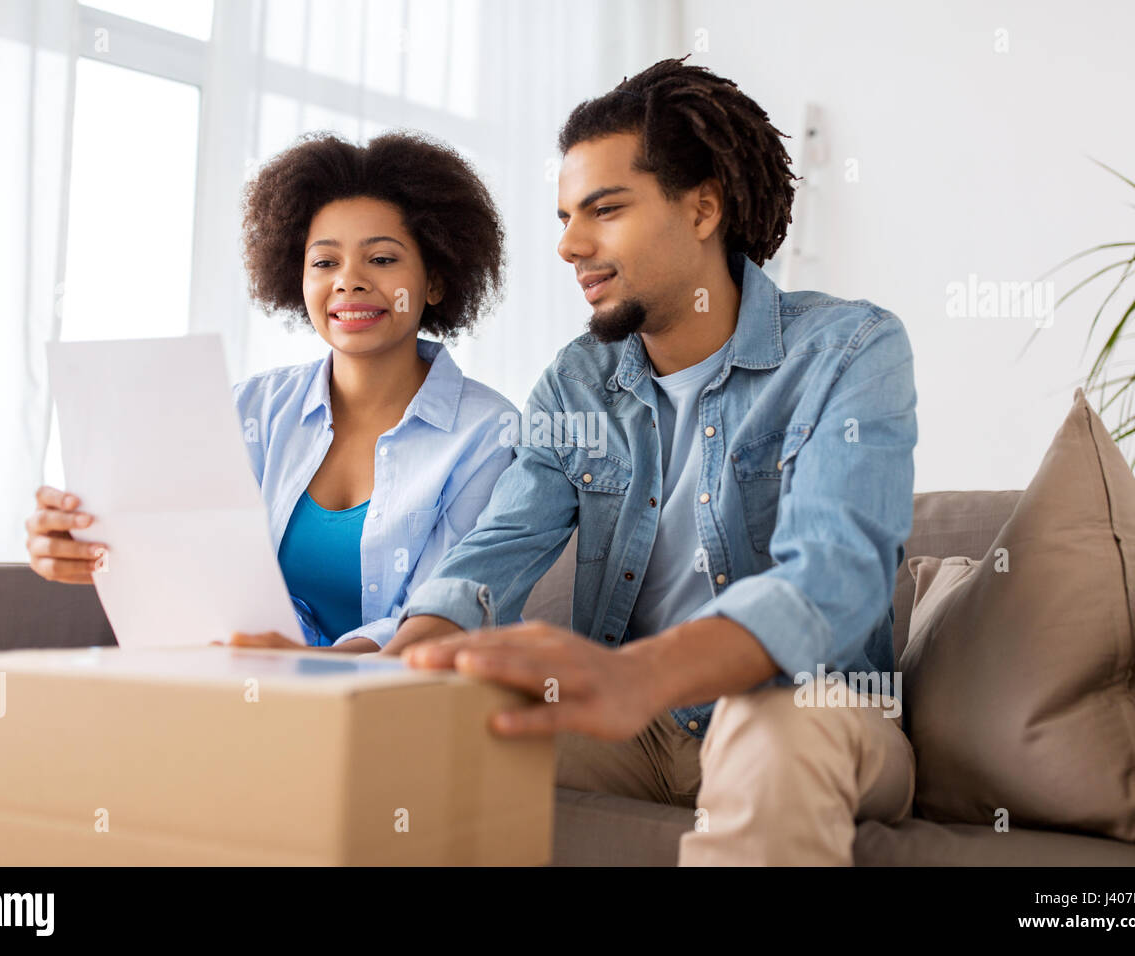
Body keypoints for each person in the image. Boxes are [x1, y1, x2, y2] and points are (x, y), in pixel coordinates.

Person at [384, 58, 921, 865]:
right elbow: (489, 558)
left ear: (703, 207)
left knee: (773, 727)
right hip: (636, 732)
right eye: (566, 216)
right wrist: (390, 674)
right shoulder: (578, 381)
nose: (570, 245)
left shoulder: (849, 351)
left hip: (815, 710)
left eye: (604, 210)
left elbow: (833, 581)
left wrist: (640, 673)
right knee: (428, 742)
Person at [25, 131, 517, 651]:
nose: (348, 281)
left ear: (435, 281)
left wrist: (311, 666)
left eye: (382, 259)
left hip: (395, 705)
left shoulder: (487, 433)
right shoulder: (250, 410)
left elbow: (443, 612)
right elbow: (174, 548)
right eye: (325, 263)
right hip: (237, 691)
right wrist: (83, 542)